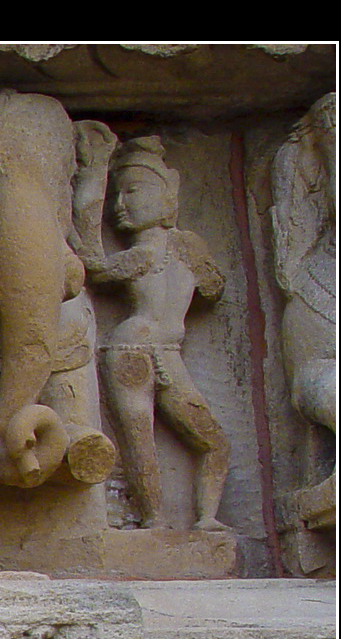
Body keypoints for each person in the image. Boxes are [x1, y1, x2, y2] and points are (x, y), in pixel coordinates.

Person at [88, 137, 230, 532]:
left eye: (133, 191)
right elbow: (95, 270)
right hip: (130, 350)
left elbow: (212, 288)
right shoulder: (149, 254)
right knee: (139, 438)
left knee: (214, 443)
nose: (120, 205)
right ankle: (155, 522)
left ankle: (205, 519)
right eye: (115, 196)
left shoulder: (177, 248)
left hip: (164, 351)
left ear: (166, 195)